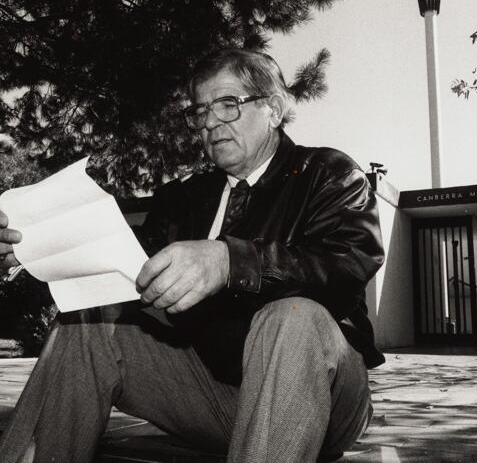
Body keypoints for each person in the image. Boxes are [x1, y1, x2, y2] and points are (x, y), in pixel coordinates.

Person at [0, 48, 385, 463]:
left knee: (291, 316)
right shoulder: (184, 198)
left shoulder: (328, 173)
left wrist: (228, 261)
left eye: (228, 104)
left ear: (273, 109)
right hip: (216, 399)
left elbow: (347, 263)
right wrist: (30, 250)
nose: (210, 122)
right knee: (88, 319)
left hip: (323, 400)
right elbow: (123, 264)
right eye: (200, 111)